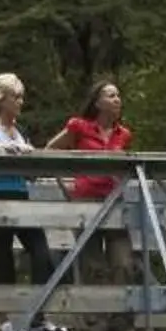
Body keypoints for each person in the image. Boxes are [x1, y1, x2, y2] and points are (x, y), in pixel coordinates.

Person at [0, 72, 54, 293]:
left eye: (21, 97)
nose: (20, 102)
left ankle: (37, 316)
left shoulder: (20, 131)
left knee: (41, 252)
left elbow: (32, 174)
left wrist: (30, 159)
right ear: (1, 99)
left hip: (21, 193)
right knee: (1, 256)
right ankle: (5, 322)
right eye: (15, 97)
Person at [47, 79, 134, 291]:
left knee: (124, 263)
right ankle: (97, 322)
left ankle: (122, 321)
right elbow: (50, 150)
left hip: (115, 200)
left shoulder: (123, 134)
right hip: (86, 199)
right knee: (92, 265)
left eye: (118, 96)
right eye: (111, 95)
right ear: (97, 103)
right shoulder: (79, 126)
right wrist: (64, 183)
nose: (117, 100)